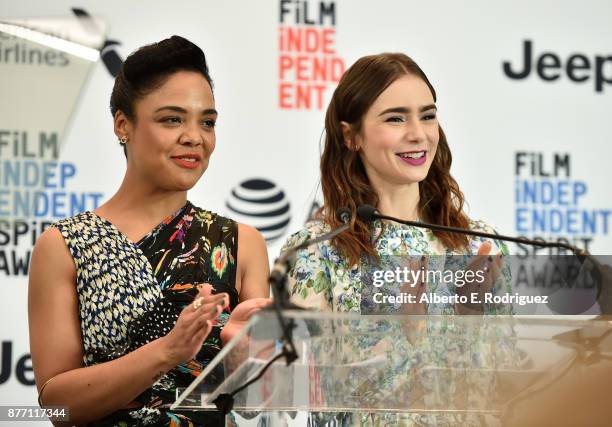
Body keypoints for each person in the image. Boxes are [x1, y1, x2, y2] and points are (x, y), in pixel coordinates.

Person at [28, 36, 270, 426]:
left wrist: (244, 354)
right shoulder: (65, 245)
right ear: (123, 124)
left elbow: (259, 404)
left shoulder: (242, 243)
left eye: (207, 121)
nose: (195, 137)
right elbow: (57, 406)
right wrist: (168, 350)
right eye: (172, 119)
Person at [281, 53, 515, 425]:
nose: (418, 134)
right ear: (351, 135)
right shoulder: (317, 250)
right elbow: (303, 394)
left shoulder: (477, 244)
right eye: (395, 118)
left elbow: (508, 384)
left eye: (427, 115)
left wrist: (468, 319)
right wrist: (403, 335)